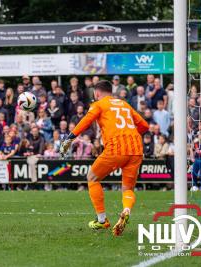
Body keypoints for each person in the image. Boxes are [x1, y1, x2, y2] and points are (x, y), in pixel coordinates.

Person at [59, 80, 149, 236]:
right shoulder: (124, 104)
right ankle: (126, 210)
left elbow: (87, 120)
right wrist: (130, 135)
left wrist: (69, 138)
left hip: (117, 148)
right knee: (127, 189)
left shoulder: (99, 104)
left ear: (97, 93)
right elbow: (145, 126)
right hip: (136, 148)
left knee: (92, 177)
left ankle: (102, 220)